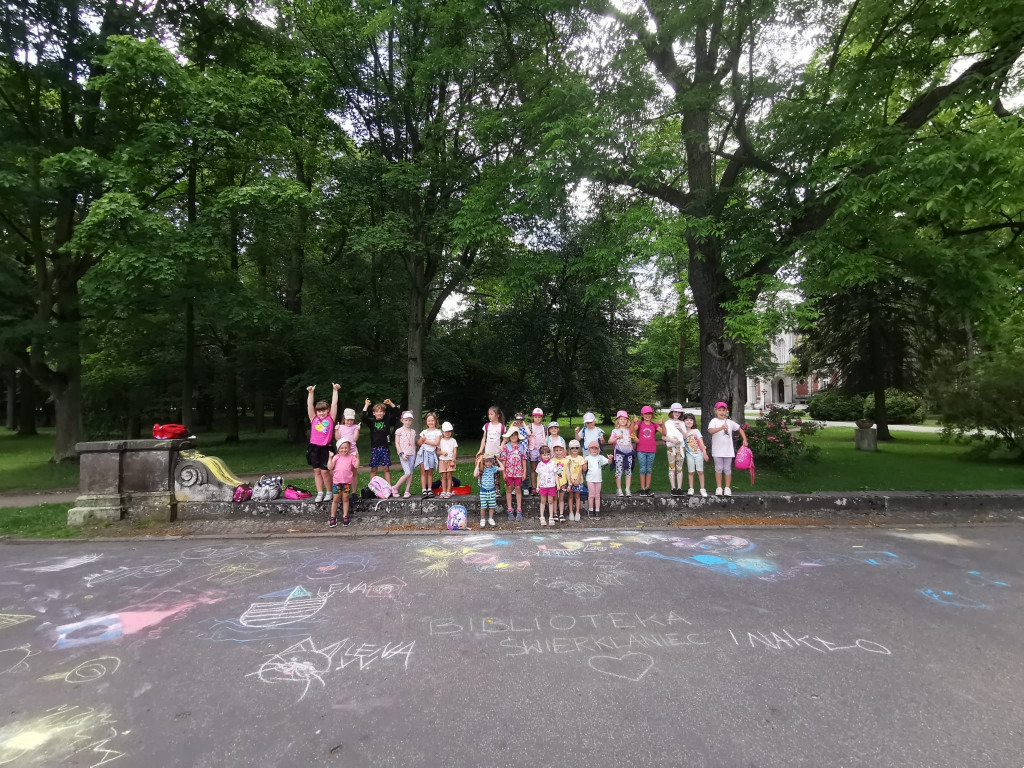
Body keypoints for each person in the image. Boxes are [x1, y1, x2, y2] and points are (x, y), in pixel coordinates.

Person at [306, 383, 339, 503]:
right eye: (319, 411)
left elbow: (334, 403)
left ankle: (329, 492)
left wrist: (335, 390)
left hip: (326, 448)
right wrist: (311, 393)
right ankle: (320, 493)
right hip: (314, 448)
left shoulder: (330, 418)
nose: (321, 413)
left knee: (325, 471)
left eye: (323, 410)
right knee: (317, 471)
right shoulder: (313, 418)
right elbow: (309, 404)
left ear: (328, 410)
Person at [706, 401, 748, 496]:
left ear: (726, 411)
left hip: (728, 451)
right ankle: (719, 487)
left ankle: (727, 488)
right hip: (717, 450)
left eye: (723, 410)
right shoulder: (714, 421)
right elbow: (711, 431)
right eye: (719, 410)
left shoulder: (730, 422)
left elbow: (740, 429)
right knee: (718, 468)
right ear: (715, 411)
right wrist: (721, 428)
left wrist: (744, 439)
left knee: (728, 469)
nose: (721, 412)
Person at [361, 398, 400, 486]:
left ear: (384, 413)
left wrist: (391, 403)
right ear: (374, 413)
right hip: (375, 448)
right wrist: (366, 405)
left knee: (386, 468)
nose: (379, 413)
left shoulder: (387, 420)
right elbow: (363, 417)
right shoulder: (372, 422)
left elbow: (397, 413)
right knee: (374, 469)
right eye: (377, 411)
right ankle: (371, 487)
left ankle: (389, 488)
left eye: (381, 411)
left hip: (385, 448)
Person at [327, 437, 358, 527]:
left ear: (349, 448)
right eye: (342, 448)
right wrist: (330, 457)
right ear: (338, 449)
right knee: (335, 499)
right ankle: (332, 516)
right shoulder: (336, 457)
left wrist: (357, 457)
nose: (344, 450)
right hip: (337, 482)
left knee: (345, 498)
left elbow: (356, 465)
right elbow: (330, 467)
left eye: (346, 448)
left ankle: (345, 516)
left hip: (347, 482)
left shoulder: (351, 457)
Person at [632, 405, 663, 496]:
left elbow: (664, 432)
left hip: (651, 450)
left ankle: (647, 488)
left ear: (652, 415)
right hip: (641, 450)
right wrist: (634, 423)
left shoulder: (654, 425)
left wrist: (662, 425)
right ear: (642, 415)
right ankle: (642, 488)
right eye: (646, 414)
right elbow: (632, 432)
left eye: (649, 414)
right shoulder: (640, 424)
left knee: (649, 469)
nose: (647, 416)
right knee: (642, 469)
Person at [500, 425, 527, 522]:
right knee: (509, 489)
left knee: (518, 489)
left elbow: (524, 460)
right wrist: (503, 472)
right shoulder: (506, 447)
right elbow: (503, 460)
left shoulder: (521, 447)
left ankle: (519, 509)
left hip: (519, 473)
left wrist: (524, 472)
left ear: (518, 436)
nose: (513, 437)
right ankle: (510, 509)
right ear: (509, 436)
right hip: (509, 473)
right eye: (511, 435)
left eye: (515, 435)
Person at [682, 412, 710, 497]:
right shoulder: (683, 432)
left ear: (694, 422)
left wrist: (704, 453)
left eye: (691, 420)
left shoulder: (696, 431)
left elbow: (701, 443)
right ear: (683, 421)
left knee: (700, 471)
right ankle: (691, 488)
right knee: (691, 472)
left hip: (698, 454)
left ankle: (702, 488)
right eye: (687, 420)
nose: (689, 422)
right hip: (689, 455)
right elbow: (682, 443)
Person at [609, 410, 635, 497]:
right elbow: (609, 441)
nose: (623, 421)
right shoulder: (615, 431)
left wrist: (634, 422)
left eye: (625, 419)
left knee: (628, 471)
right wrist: (616, 438)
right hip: (619, 454)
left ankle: (627, 489)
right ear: (617, 421)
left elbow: (634, 428)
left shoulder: (629, 430)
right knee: (619, 471)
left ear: (627, 421)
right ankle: (619, 489)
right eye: (621, 419)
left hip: (629, 454)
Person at [662, 403, 686, 495]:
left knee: (679, 468)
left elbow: (685, 436)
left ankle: (679, 487)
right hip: (671, 448)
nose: (677, 414)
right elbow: (663, 437)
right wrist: (671, 439)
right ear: (671, 412)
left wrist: (680, 429)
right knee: (672, 468)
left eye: (679, 412)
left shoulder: (682, 423)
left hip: (680, 448)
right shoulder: (667, 423)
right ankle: (673, 487)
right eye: (675, 412)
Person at [416, 412, 442, 497]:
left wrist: (426, 441)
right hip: (423, 453)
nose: (430, 422)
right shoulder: (424, 432)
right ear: (426, 422)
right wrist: (422, 439)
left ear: (435, 421)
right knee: (423, 471)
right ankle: (424, 489)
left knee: (430, 472)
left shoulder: (438, 432)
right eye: (429, 421)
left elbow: (436, 443)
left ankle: (430, 489)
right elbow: (419, 443)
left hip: (431, 453)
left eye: (432, 420)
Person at [473, 453, 503, 527]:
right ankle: (482, 519)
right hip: (483, 491)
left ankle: (490, 518)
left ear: (492, 462)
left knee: (492, 506)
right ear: (483, 461)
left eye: (490, 461)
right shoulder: (481, 469)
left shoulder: (493, 468)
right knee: (483, 506)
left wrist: (498, 460)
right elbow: (475, 475)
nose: (488, 463)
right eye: (486, 461)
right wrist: (478, 464)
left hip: (491, 490)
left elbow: (502, 468)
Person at [392, 411, 417, 498]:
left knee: (411, 473)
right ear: (402, 420)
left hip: (412, 454)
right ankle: (395, 487)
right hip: (404, 454)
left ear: (412, 421)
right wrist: (401, 454)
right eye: (406, 420)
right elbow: (397, 443)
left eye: (409, 420)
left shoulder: (413, 431)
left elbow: (413, 443)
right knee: (407, 472)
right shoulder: (399, 431)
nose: (407, 422)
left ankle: (407, 490)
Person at [583, 441, 610, 519]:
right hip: (590, 479)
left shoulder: (600, 457)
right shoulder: (587, 457)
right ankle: (591, 510)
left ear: (598, 450)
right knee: (591, 495)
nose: (594, 450)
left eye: (596, 449)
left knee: (597, 495)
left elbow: (608, 462)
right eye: (592, 448)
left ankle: (597, 510)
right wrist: (584, 463)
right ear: (589, 450)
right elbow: (584, 469)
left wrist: (610, 459)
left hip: (598, 479)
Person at [535, 445, 559, 526]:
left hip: (551, 485)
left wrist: (557, 484)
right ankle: (542, 517)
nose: (546, 456)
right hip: (543, 486)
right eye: (544, 455)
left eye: (548, 454)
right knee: (543, 501)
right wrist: (537, 486)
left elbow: (556, 474)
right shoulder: (540, 465)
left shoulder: (553, 463)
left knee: (551, 501)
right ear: (541, 455)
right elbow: (538, 476)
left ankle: (551, 517)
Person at [564, 439, 587, 522]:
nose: (574, 450)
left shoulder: (581, 458)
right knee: (570, 496)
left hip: (578, 480)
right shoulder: (567, 458)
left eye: (576, 448)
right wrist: (570, 481)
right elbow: (567, 470)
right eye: (573, 448)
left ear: (579, 449)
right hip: (570, 481)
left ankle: (577, 512)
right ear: (569, 449)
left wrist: (577, 480)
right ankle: (571, 512)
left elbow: (582, 469)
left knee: (577, 496)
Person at [526, 408, 546, 495]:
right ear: (533, 417)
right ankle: (533, 486)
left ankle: (541, 486)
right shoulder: (530, 426)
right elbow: (526, 439)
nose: (537, 418)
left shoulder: (544, 427)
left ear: (541, 418)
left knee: (542, 469)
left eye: (539, 417)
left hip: (541, 449)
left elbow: (546, 437)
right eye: (536, 417)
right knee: (533, 469)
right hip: (533, 449)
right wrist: (528, 451)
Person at [438, 421, 458, 498]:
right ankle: (443, 491)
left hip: (450, 460)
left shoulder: (453, 440)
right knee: (444, 476)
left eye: (449, 431)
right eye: (446, 432)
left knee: (449, 476)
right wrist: (442, 452)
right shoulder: (440, 441)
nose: (447, 433)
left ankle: (448, 491)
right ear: (442, 432)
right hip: (442, 460)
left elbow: (455, 451)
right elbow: (438, 451)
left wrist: (453, 460)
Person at [552, 443, 569, 522]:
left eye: (560, 450)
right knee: (554, 498)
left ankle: (561, 514)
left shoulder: (566, 461)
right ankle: (555, 513)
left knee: (561, 498)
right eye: (556, 450)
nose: (558, 452)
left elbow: (567, 472)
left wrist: (569, 483)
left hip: (563, 482)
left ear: (563, 451)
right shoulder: (552, 461)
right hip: (554, 482)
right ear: (554, 451)